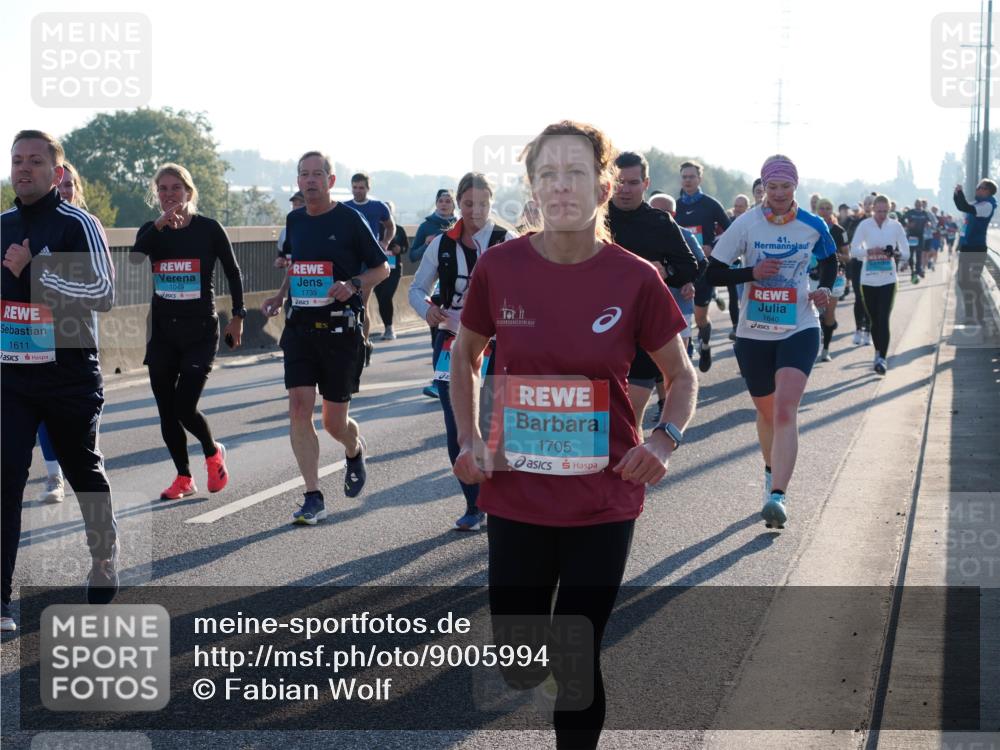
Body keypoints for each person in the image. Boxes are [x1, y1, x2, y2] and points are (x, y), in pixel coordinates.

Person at [450, 120, 697, 750]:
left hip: (602, 498)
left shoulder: (636, 277)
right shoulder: (500, 268)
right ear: (533, 187)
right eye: (548, 175)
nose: (562, 187)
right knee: (520, 661)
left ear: (604, 185)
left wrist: (663, 439)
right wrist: (470, 437)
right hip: (515, 496)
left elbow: (680, 374)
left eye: (577, 173)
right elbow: (465, 356)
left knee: (576, 653)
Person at [2, 130, 120, 632]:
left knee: (80, 470)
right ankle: (1, 598)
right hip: (12, 375)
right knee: (6, 478)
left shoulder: (78, 224)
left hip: (69, 374)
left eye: (34, 161)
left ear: (57, 170)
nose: (23, 168)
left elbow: (105, 290)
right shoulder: (3, 224)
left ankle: (103, 558)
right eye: (16, 160)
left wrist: (38, 271)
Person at [708, 154, 838, 529]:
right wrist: (751, 272)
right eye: (772, 186)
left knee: (785, 410)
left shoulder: (812, 224)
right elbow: (713, 272)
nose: (779, 194)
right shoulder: (745, 224)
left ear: (795, 187)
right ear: (763, 187)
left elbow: (830, 262)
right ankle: (770, 471)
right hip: (753, 333)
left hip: (799, 326)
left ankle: (778, 496)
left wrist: (823, 288)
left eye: (786, 186)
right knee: (766, 413)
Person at [261, 152, 389, 524]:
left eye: (318, 174)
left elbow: (382, 268)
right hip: (300, 328)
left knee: (334, 422)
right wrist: (280, 295)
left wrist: (353, 285)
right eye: (304, 174)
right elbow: (297, 264)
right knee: (299, 409)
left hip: (340, 331)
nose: (311, 180)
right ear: (298, 181)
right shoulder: (295, 219)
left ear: (331, 181)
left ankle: (353, 448)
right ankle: (313, 495)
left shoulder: (350, 219)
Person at [408, 173, 516, 530]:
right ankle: (474, 504)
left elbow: (526, 289)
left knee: (495, 422)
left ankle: (502, 499)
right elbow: (416, 289)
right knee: (458, 425)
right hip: (452, 342)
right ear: (457, 203)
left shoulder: (506, 241)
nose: (475, 211)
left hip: (498, 344)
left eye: (483, 204)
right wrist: (429, 310)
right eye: (468, 204)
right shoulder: (441, 243)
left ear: (492, 202)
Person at [131, 163, 245, 499]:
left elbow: (233, 272)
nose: (169, 195)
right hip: (163, 333)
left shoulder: (209, 229)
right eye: (163, 189)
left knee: (184, 407)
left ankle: (212, 452)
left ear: (189, 193)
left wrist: (238, 316)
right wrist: (157, 227)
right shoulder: (151, 231)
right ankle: (183, 477)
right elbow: (134, 262)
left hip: (200, 331)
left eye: (175, 189)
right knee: (166, 410)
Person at [608, 151, 698, 430]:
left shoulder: (659, 222)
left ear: (646, 184)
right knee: (602, 416)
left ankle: (634, 472)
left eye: (633, 183)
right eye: (619, 181)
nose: (624, 189)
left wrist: (665, 271)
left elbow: (689, 267)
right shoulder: (593, 219)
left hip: (643, 326)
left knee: (631, 416)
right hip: (597, 327)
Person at [35, 159, 91, 504]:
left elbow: (99, 286)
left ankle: (86, 470)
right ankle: (54, 477)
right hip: (40, 327)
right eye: (61, 184)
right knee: (41, 408)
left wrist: (38, 268)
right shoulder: (34, 224)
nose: (65, 190)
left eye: (70, 185)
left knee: (81, 416)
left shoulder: (88, 226)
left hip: (81, 332)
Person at [676, 160, 731, 372]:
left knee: (700, 317)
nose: (687, 180)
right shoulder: (676, 206)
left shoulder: (710, 204)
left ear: (700, 179)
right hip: (681, 269)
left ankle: (705, 345)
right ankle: (683, 362)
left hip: (703, 268)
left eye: (691, 176)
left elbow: (731, 231)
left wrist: (711, 246)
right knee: (680, 317)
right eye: (684, 177)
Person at [849, 194, 910, 374]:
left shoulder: (895, 226)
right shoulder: (865, 225)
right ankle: (878, 352)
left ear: (890, 210)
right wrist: (869, 251)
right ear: (873, 209)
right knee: (875, 320)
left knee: (883, 318)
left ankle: (881, 357)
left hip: (888, 280)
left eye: (885, 211)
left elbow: (906, 252)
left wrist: (895, 254)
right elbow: (854, 251)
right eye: (879, 211)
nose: (882, 215)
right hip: (868, 280)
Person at [344, 172, 395, 366]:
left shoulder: (377, 207)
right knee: (348, 303)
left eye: (361, 188)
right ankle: (350, 342)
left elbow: (391, 227)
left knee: (362, 303)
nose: (358, 191)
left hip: (369, 261)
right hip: (349, 261)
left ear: (368, 188)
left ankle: (363, 344)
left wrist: (385, 242)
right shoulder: (345, 207)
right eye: (355, 187)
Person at [410, 189, 457, 399]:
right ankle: (440, 381)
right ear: (436, 203)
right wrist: (427, 244)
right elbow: (412, 255)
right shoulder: (426, 225)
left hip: (454, 290)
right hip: (432, 288)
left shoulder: (462, 226)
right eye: (441, 200)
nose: (444, 204)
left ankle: (451, 379)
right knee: (438, 336)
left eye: (448, 201)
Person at [650, 193, 705, 360]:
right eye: (654, 211)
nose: (658, 216)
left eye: (664, 212)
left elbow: (702, 263)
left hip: (680, 301)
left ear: (673, 214)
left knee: (680, 357)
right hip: (650, 305)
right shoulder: (640, 236)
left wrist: (690, 282)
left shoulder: (685, 235)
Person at [953, 180, 998, 327]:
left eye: (981, 188)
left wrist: (961, 193)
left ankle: (979, 316)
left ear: (988, 191)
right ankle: (971, 315)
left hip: (977, 248)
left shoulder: (987, 205)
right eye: (978, 187)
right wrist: (956, 193)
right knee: (963, 281)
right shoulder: (977, 203)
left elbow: (965, 206)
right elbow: (961, 206)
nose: (978, 189)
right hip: (967, 247)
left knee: (971, 282)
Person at [814, 198, 850, 362]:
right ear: (816, 209)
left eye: (828, 208)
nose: (825, 211)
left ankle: (826, 349)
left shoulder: (839, 230)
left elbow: (847, 257)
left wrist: (833, 257)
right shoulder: (809, 228)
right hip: (813, 275)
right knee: (813, 312)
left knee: (829, 312)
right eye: (822, 208)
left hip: (836, 276)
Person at [374, 200, 407, 340]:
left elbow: (406, 247)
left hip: (393, 270)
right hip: (377, 269)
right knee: (381, 298)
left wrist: (399, 249)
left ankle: (389, 328)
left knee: (386, 296)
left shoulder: (398, 229)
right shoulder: (373, 228)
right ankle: (387, 326)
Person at [844, 195, 874, 345]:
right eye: (867, 203)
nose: (869, 206)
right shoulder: (856, 221)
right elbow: (848, 238)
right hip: (857, 262)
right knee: (858, 298)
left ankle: (868, 331)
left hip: (872, 264)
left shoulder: (881, 223)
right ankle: (858, 330)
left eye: (872, 203)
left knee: (868, 298)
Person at [902, 198, 934, 284]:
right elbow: (902, 220)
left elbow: (929, 221)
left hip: (920, 236)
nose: (918, 205)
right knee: (911, 254)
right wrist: (907, 224)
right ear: (914, 204)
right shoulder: (911, 212)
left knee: (919, 253)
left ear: (921, 205)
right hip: (911, 236)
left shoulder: (924, 213)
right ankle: (912, 270)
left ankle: (918, 270)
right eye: (917, 203)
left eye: (919, 204)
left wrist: (928, 224)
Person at [275, 191, 305, 268]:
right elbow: (282, 256)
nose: (297, 207)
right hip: (294, 278)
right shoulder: (285, 232)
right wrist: (280, 262)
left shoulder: (320, 228)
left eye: (301, 204)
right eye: (295, 204)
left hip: (318, 278)